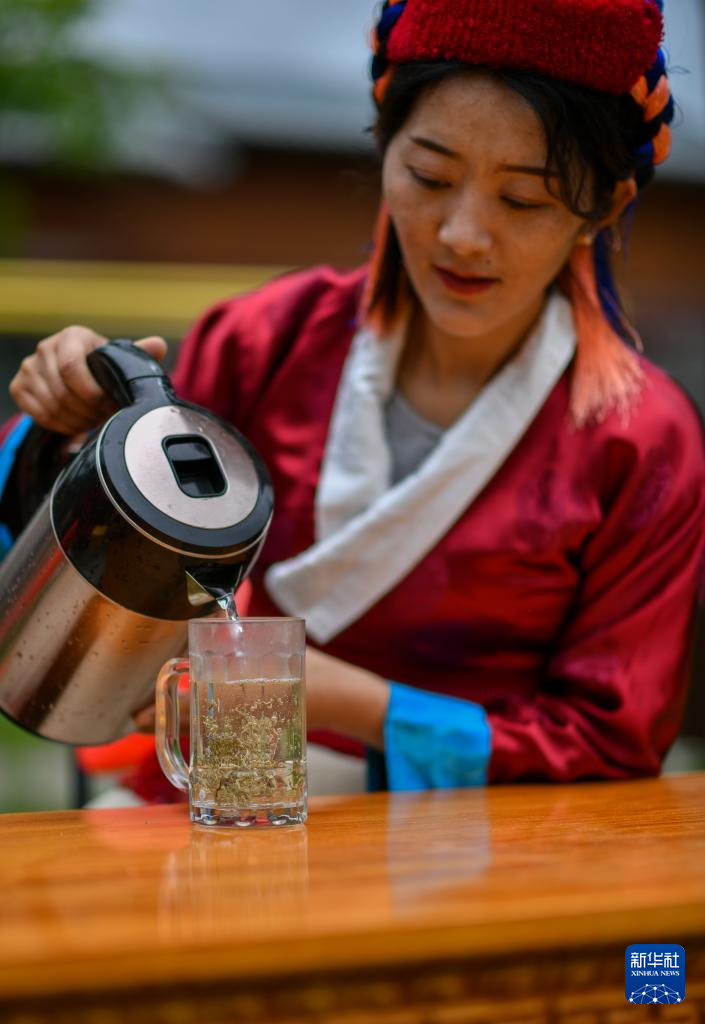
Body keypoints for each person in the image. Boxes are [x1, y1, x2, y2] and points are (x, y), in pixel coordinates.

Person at [2, 0, 704, 800]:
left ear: (602, 207)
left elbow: (611, 744)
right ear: (383, 145)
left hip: (482, 837)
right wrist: (71, 437)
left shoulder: (640, 439)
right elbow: (94, 580)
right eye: (429, 177)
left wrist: (349, 703)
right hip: (209, 795)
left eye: (523, 200)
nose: (462, 234)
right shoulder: (264, 339)